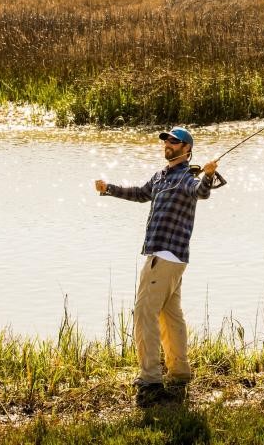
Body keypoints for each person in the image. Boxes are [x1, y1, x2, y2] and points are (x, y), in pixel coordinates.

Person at [95, 126, 221, 406]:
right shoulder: (161, 176)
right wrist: (109, 189)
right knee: (170, 315)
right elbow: (141, 194)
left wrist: (209, 175)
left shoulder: (187, 177)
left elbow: (201, 192)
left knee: (143, 313)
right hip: (169, 257)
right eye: (166, 141)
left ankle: (150, 380)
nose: (169, 144)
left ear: (187, 149)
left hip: (165, 256)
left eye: (175, 142)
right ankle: (179, 373)